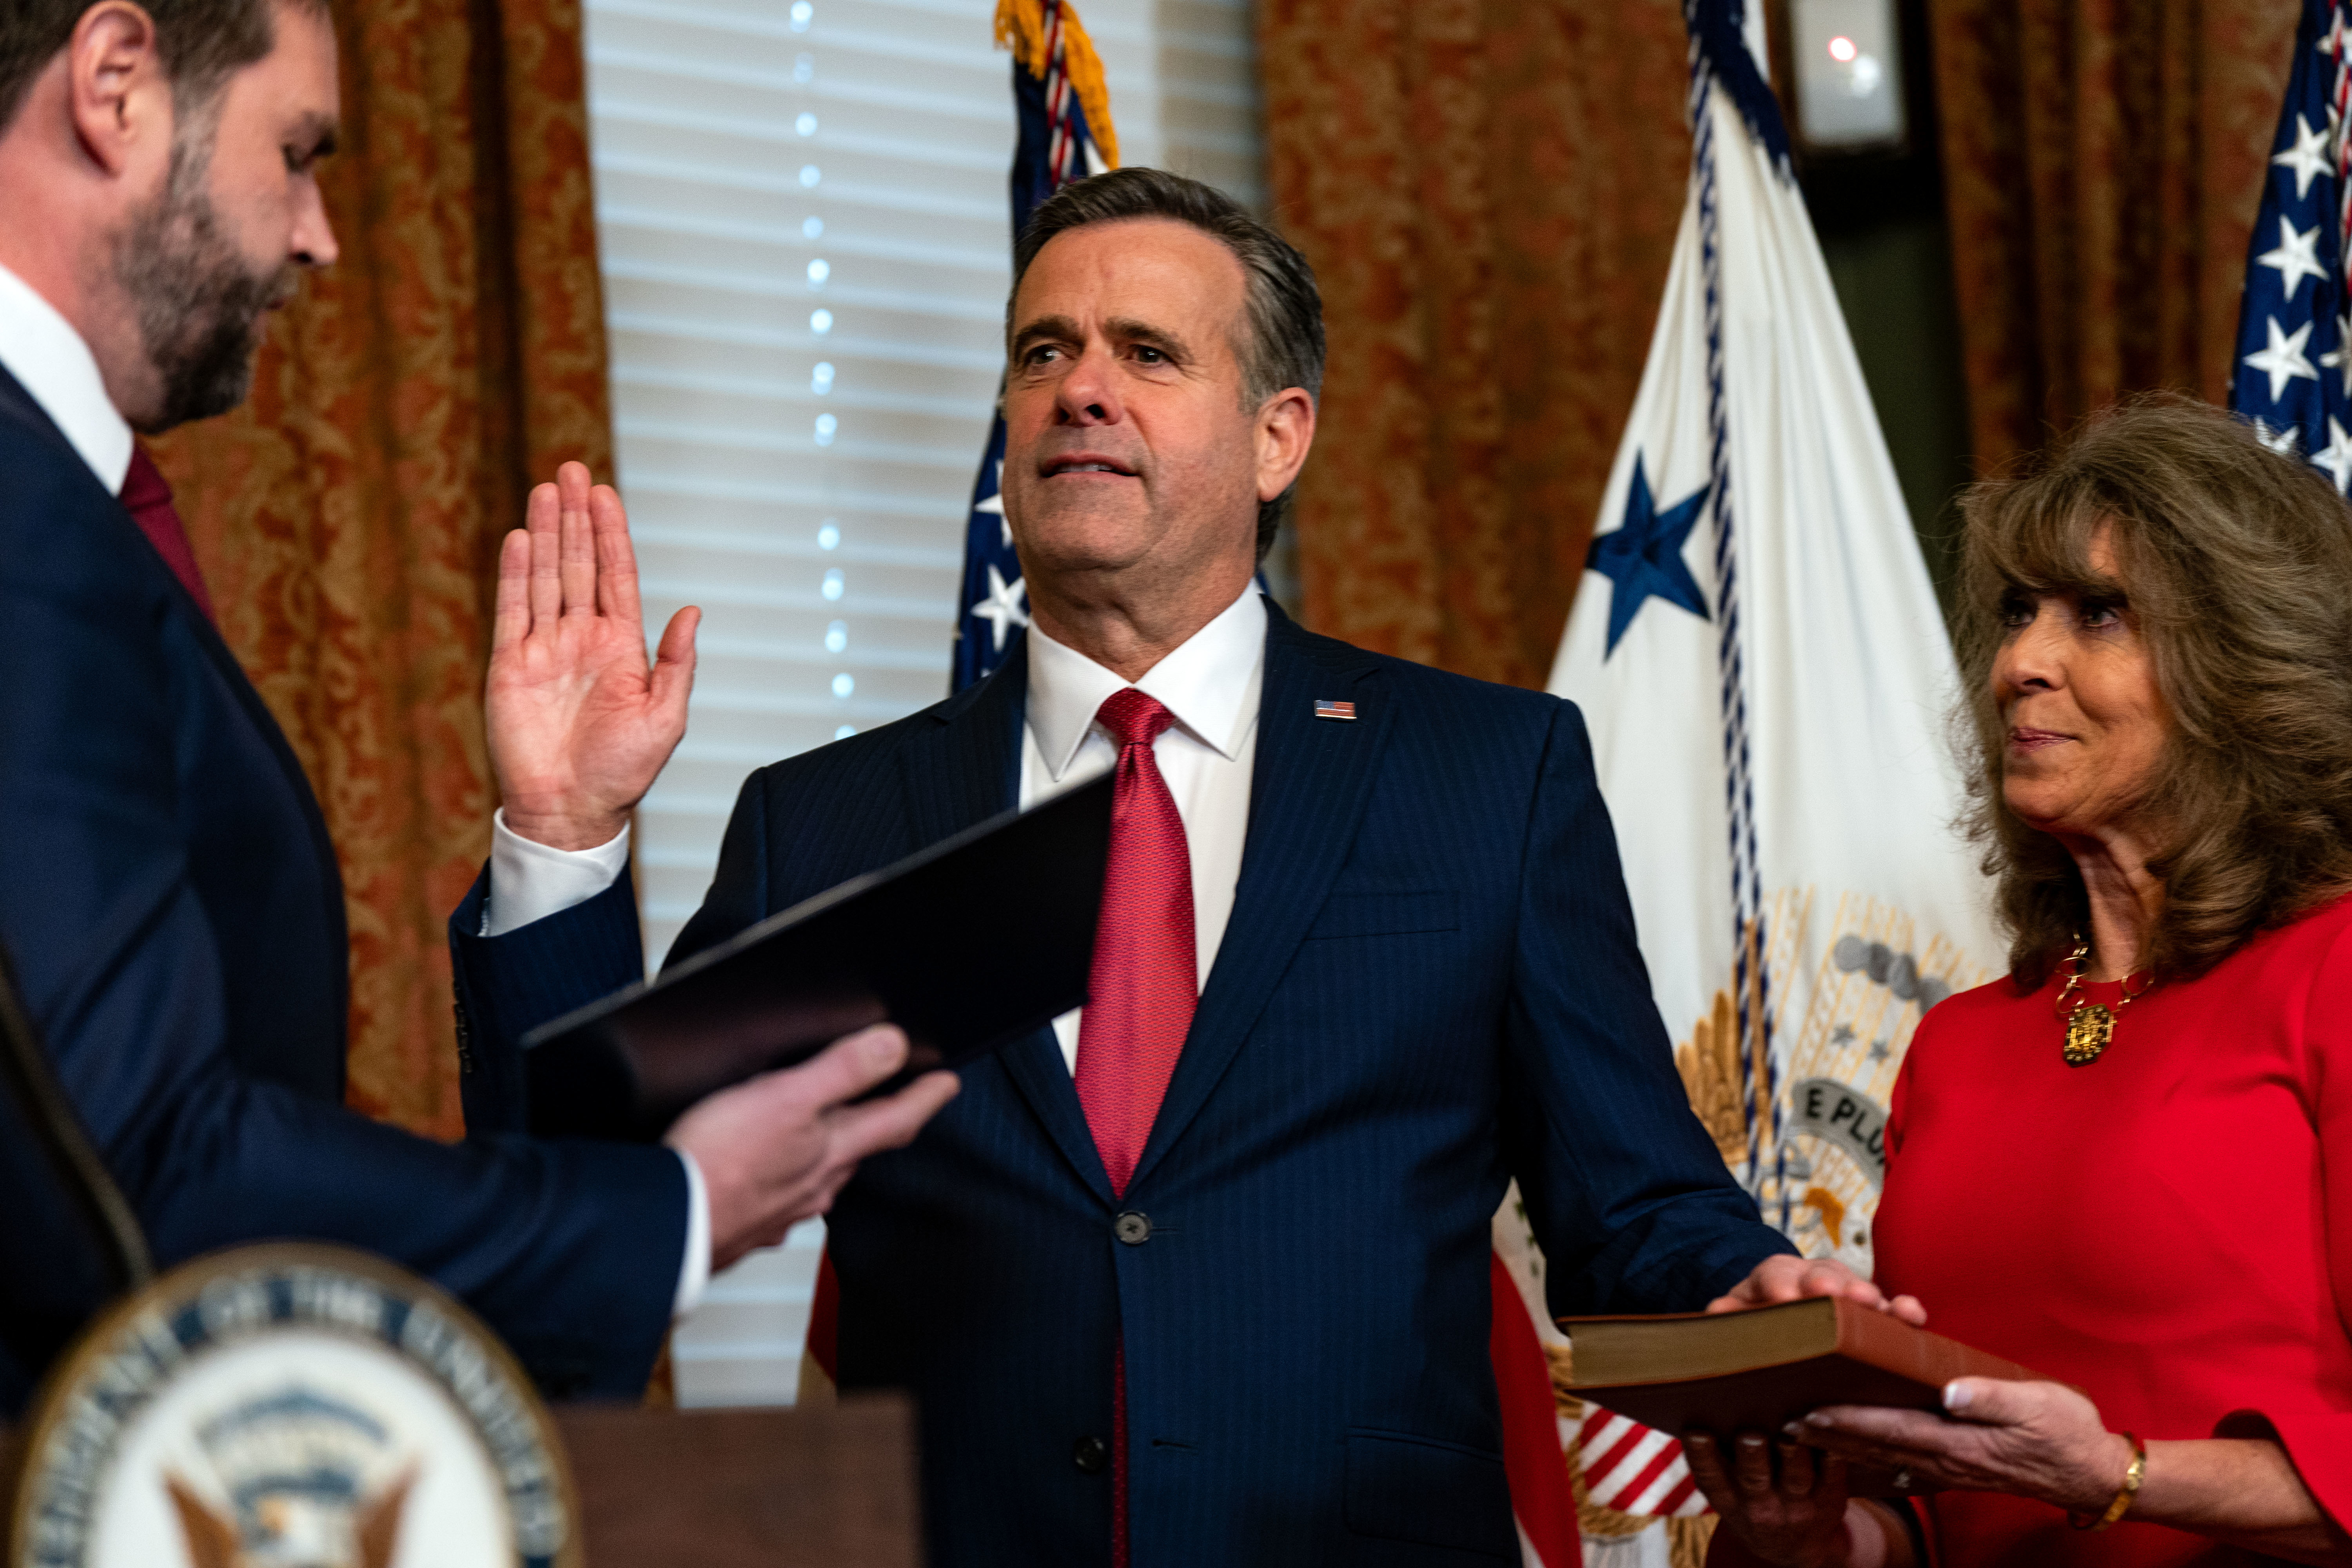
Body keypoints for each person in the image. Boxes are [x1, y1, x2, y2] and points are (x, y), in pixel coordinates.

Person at [457, 165, 1899, 1566]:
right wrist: (563, 833)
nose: (1081, 386)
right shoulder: (827, 819)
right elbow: (588, 1184)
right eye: (1044, 352)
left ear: (1279, 436)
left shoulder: (1483, 775)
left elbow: (1631, 1202)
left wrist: (1748, 1293)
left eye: (1146, 352)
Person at [0, 0, 957, 1412]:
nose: (318, 232)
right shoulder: (23, 512)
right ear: (116, 82)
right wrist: (676, 1210)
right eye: (298, 150)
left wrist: (557, 832)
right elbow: (138, 1159)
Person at [1687, 397, 2352, 1566]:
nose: (2016, 666)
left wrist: (2117, 1475)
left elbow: (2080, 1470)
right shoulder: (1957, 1043)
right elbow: (1954, 1499)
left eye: (2098, 613)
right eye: (2015, 614)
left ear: (2243, 665)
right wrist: (1820, 1533)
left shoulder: (2328, 973)